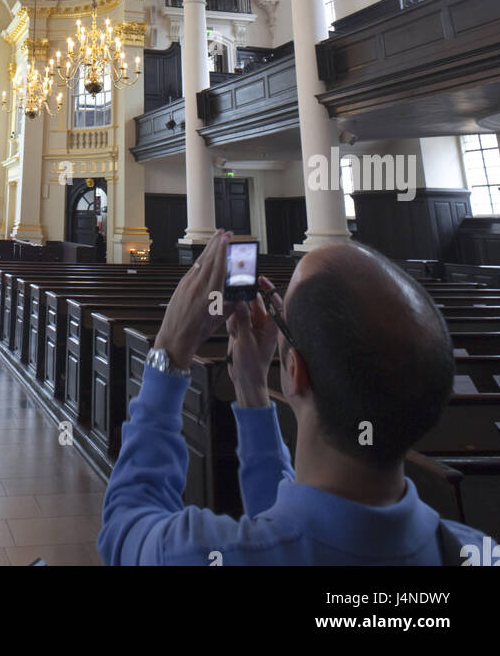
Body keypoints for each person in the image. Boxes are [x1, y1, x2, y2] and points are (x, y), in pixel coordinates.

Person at [99, 232, 497, 566]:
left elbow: (125, 524)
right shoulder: (480, 552)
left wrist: (169, 349)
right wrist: (252, 392)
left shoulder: (200, 553)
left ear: (294, 372)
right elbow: (293, 528)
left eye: (281, 315)